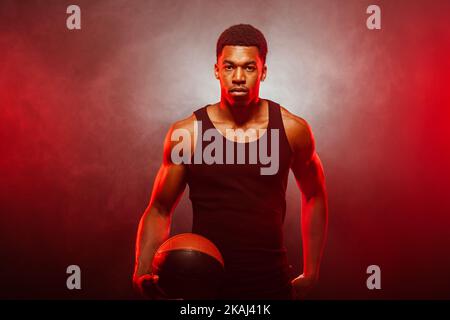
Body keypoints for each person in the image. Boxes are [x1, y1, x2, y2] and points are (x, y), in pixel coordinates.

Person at [132, 24, 328, 300]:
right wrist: (141, 269)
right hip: (201, 285)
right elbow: (160, 209)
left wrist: (312, 272)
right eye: (229, 67)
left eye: (248, 67)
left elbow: (315, 195)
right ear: (216, 70)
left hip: (269, 283)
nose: (238, 77)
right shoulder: (187, 134)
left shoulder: (292, 129)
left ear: (263, 71)